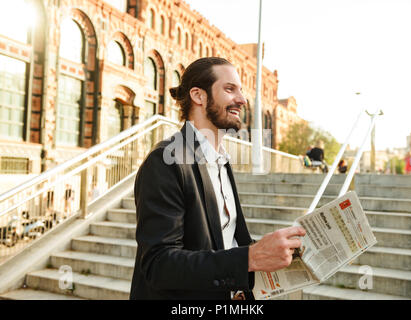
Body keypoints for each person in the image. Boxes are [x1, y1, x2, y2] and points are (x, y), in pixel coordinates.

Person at [129, 57, 306, 300]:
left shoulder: (222, 161)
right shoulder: (165, 161)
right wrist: (250, 258)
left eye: (240, 90)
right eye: (229, 89)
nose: (242, 100)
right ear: (198, 96)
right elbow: (159, 265)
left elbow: (222, 242)